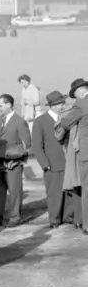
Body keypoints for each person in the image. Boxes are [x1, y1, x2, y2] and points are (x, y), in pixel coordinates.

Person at [0, 93, 31, 227]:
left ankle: (14, 218)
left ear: (9, 105)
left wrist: (12, 154)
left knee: (14, 191)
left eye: (0, 105)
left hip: (13, 163)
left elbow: (26, 144)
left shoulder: (19, 121)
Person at [31, 90, 71, 228]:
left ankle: (67, 217)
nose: (63, 106)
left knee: (69, 192)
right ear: (53, 105)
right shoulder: (40, 121)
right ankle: (54, 219)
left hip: (68, 162)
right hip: (52, 164)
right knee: (54, 193)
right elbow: (36, 146)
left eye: (63, 103)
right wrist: (45, 164)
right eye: (60, 104)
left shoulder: (66, 118)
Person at [54, 78, 88, 231]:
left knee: (86, 189)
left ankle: (86, 224)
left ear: (78, 92)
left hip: (85, 152)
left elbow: (66, 123)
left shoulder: (80, 105)